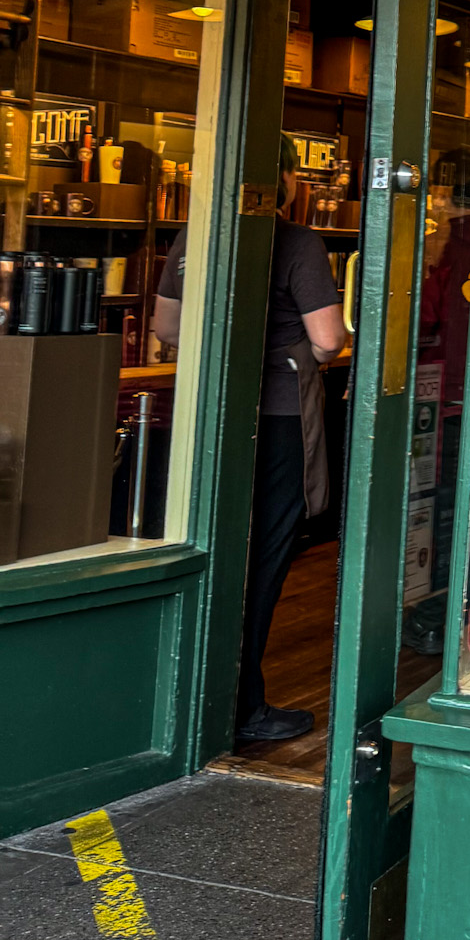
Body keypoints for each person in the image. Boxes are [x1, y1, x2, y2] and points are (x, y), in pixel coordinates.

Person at [155, 133, 346, 743]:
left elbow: (166, 325)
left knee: (207, 546)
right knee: (262, 558)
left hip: (210, 414)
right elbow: (329, 339)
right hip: (281, 417)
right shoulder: (296, 240)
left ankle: (191, 700)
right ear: (288, 180)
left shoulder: (194, 236)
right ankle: (242, 706)